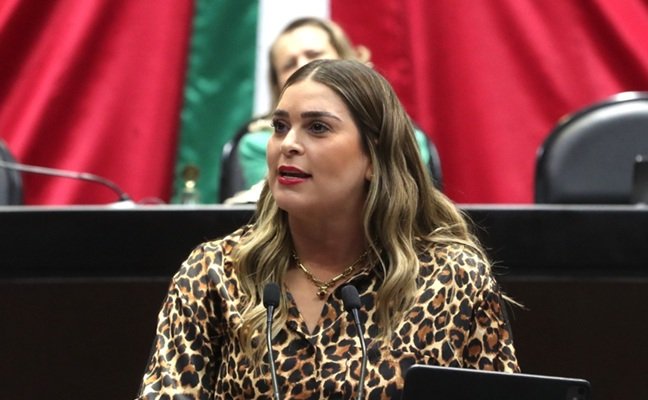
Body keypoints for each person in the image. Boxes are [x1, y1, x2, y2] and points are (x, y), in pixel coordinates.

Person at [137, 59, 519, 400]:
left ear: (374, 157)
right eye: (280, 126)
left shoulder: (451, 277)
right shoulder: (215, 272)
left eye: (317, 128)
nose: (288, 144)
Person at [224, 17, 435, 203]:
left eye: (318, 127)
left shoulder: (402, 136)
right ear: (277, 83)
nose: (303, 66)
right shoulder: (257, 144)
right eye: (289, 64)